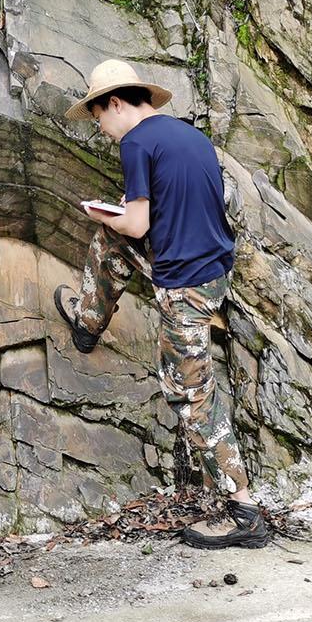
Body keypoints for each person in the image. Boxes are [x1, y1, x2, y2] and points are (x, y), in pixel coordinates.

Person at [54, 59, 270, 549]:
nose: (101, 131)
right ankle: (88, 322)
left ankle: (244, 512)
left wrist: (99, 212)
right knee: (109, 244)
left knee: (192, 397)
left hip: (185, 287)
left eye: (98, 118)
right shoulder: (188, 136)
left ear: (115, 103)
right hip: (213, 271)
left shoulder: (135, 143)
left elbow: (134, 223)